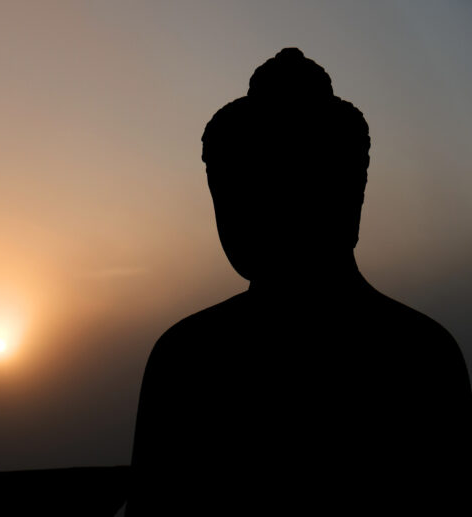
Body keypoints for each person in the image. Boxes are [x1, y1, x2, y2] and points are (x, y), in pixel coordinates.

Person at [127, 48, 472, 514]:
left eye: (263, 188)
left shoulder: (189, 358)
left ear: (348, 194)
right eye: (227, 193)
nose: (239, 213)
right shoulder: (426, 350)